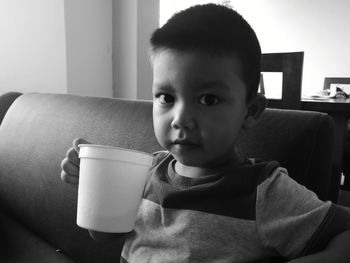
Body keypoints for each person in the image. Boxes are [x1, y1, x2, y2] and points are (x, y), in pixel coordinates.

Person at [60, 3, 350, 263]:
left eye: (208, 99)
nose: (180, 120)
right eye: (166, 97)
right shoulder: (145, 173)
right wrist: (95, 190)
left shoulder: (264, 191)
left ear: (250, 111)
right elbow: (106, 236)